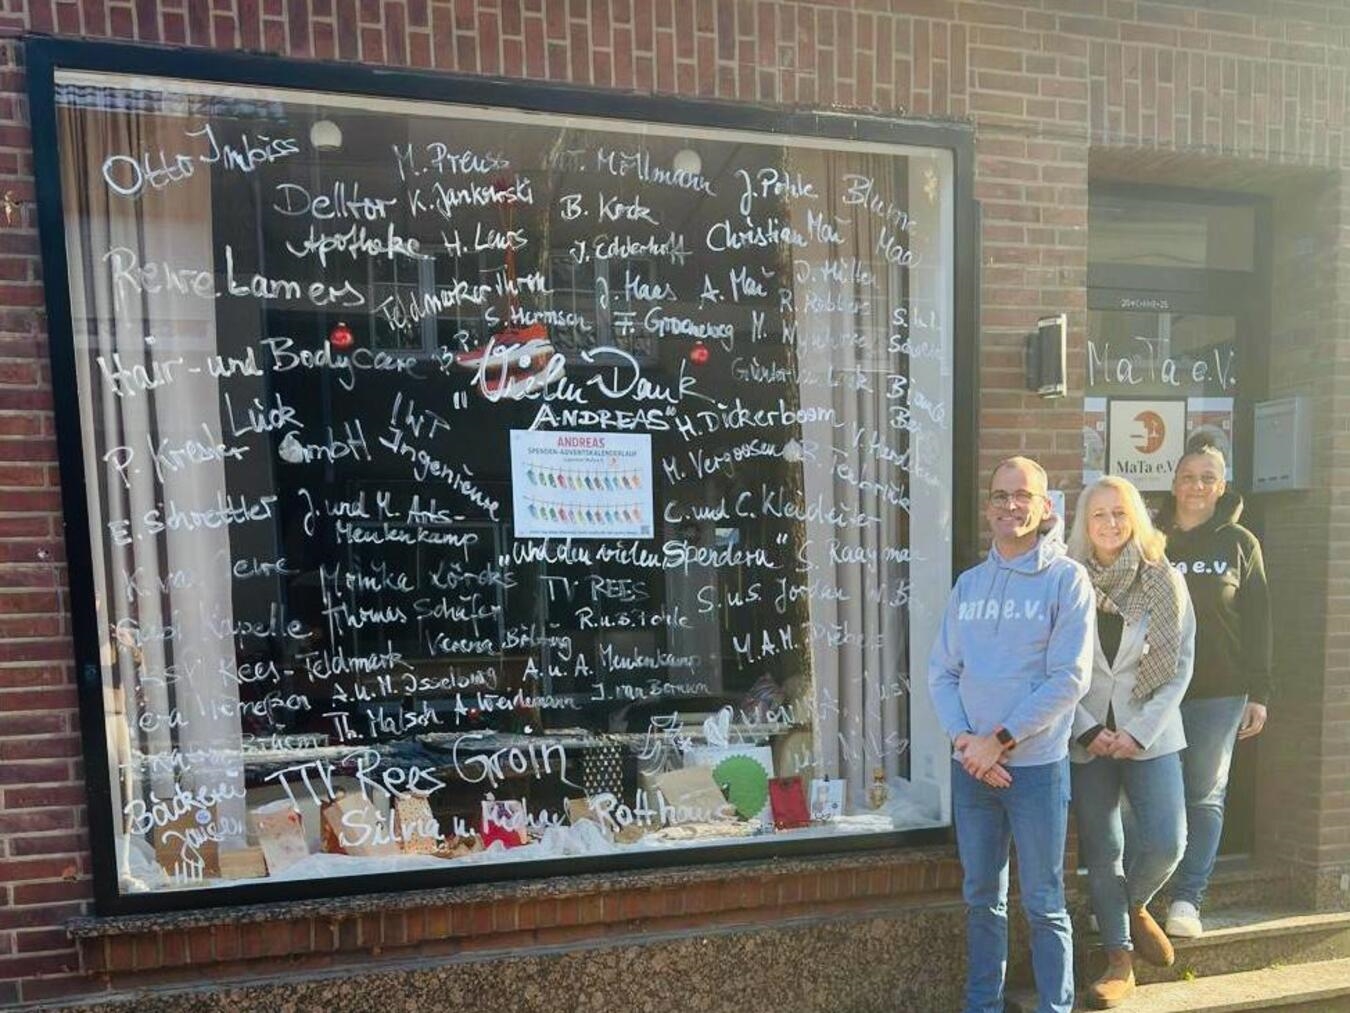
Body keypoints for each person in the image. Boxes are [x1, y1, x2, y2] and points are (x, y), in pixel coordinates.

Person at [929, 456, 1095, 1013]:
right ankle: (983, 1005)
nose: (1010, 505)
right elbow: (942, 672)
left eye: (1023, 495)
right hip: (973, 772)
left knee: (1045, 902)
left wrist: (996, 740)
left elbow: (1069, 678)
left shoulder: (1067, 580)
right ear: (988, 506)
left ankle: (1055, 1006)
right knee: (981, 899)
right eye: (1000, 496)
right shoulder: (969, 585)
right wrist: (964, 742)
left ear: (1045, 506)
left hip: (1036, 772)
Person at [1067, 477, 1196, 1009]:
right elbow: (1049, 666)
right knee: (1104, 850)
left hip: (1152, 731)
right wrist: (1088, 727)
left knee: (1168, 841)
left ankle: (1134, 903)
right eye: (1099, 514)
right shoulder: (1067, 580)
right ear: (1084, 522)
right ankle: (1119, 959)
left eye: (1120, 513)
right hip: (1086, 734)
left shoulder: (1164, 580)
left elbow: (1181, 663)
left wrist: (1137, 729)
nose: (1110, 523)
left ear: (1137, 517)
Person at [1158, 440, 1272, 939]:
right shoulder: (1153, 538)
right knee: (1144, 793)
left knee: (1204, 795)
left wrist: (1260, 692)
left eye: (1208, 477)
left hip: (1219, 691)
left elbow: (1260, 619)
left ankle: (1187, 898)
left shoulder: (1240, 542)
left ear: (1221, 486)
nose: (1197, 486)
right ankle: (1137, 898)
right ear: (1175, 482)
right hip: (1153, 691)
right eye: (1189, 475)